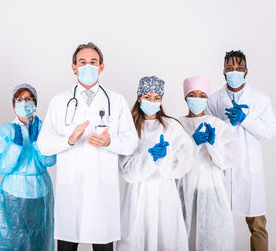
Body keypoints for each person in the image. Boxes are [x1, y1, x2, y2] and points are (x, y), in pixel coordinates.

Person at [37, 42, 138, 251]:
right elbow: (44, 145)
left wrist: (110, 142)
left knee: (103, 244)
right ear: (73, 67)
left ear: (102, 67)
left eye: (93, 62)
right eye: (82, 62)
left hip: (103, 190)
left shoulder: (116, 101)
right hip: (70, 189)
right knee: (66, 243)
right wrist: (69, 140)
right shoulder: (59, 101)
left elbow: (131, 143)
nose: (88, 66)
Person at [206, 50, 276, 251]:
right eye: (230, 68)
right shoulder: (214, 100)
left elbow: (270, 131)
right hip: (223, 168)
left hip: (249, 170)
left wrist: (245, 119)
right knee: (218, 224)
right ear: (223, 71)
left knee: (257, 226)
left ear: (246, 71)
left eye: (238, 68)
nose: (234, 72)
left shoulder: (259, 99)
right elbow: (208, 129)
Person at [117, 76, 194, 251]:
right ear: (139, 97)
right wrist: (148, 157)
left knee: (165, 236)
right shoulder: (128, 127)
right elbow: (124, 167)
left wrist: (167, 156)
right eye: (148, 97)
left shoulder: (170, 126)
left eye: (157, 98)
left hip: (164, 191)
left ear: (161, 100)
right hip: (138, 193)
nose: (152, 101)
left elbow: (186, 158)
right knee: (135, 237)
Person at [0, 83, 56, 251]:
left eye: (28, 99)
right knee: (14, 240)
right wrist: (15, 146)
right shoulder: (6, 130)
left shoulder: (44, 128)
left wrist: (36, 142)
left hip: (40, 192)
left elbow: (50, 161)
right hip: (14, 193)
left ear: (35, 102)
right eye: (19, 99)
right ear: (13, 104)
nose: (24, 103)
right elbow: (2, 167)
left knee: (39, 239)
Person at [178, 76, 235, 251]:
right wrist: (191, 143)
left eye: (202, 95)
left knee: (213, 236)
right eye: (193, 95)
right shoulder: (177, 124)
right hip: (184, 187)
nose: (197, 99)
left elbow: (225, 161)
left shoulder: (217, 125)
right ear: (185, 97)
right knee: (186, 235)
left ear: (207, 98)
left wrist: (213, 144)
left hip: (211, 188)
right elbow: (174, 160)